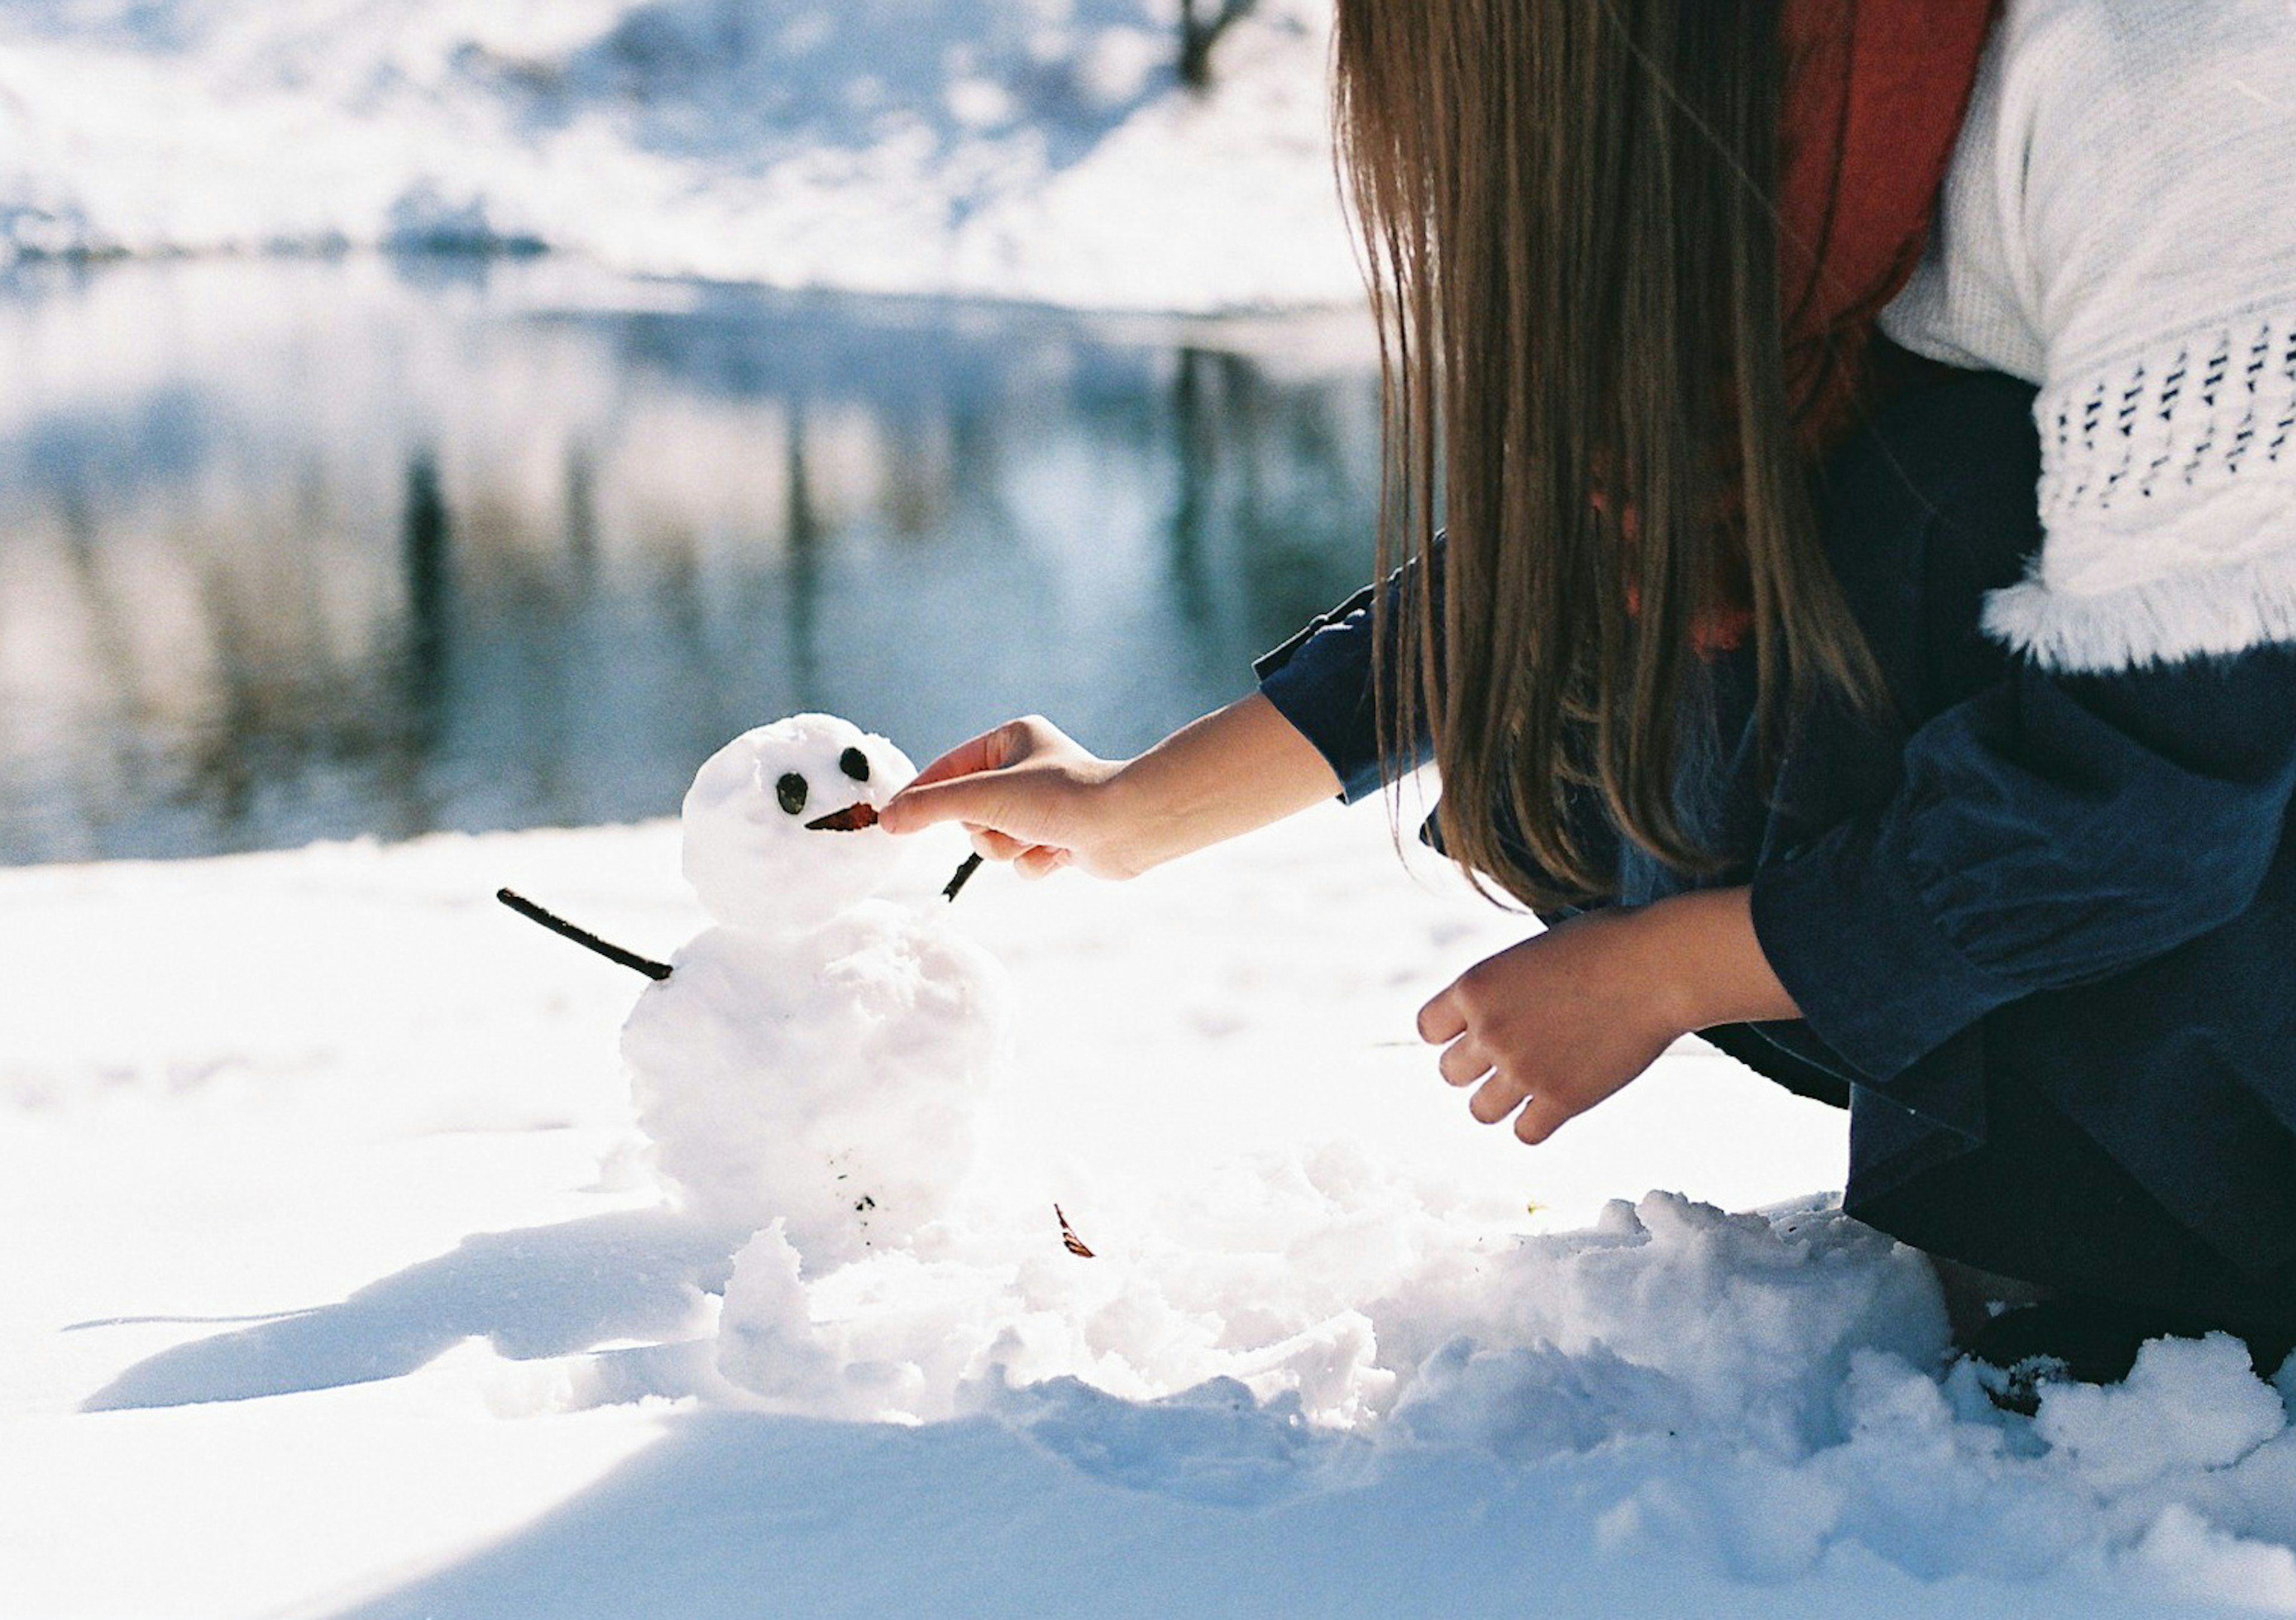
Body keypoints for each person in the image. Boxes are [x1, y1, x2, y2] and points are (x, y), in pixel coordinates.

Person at [881, 0, 2296, 1379]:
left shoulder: (2175, 80)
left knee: (1925, 512)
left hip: (2213, 834)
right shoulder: (1838, 104)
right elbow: (1599, 548)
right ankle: (2103, 1171)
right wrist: (1135, 807)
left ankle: (2173, 1246)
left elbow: (2154, 794)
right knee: (1684, 640)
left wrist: (1661, 969)